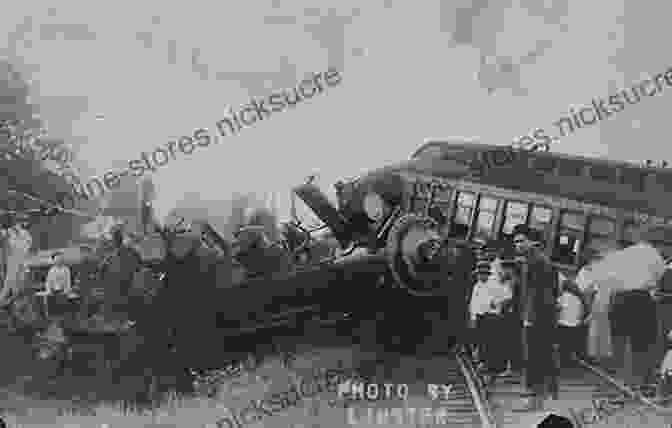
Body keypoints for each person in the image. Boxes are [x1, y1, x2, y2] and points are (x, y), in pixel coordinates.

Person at [511, 224, 559, 412]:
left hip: (536, 316)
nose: (518, 245)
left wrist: (530, 316)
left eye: (521, 241)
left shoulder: (536, 261)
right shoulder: (536, 259)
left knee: (534, 357)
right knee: (539, 356)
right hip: (540, 315)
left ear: (532, 241)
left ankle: (534, 400)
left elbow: (539, 292)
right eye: (515, 242)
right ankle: (539, 398)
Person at [0, 220, 32, 306]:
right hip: (12, 261)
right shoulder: (8, 232)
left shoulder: (26, 235)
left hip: (21, 261)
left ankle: (11, 301)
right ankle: (4, 300)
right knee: (9, 283)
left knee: (18, 286)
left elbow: (27, 246)